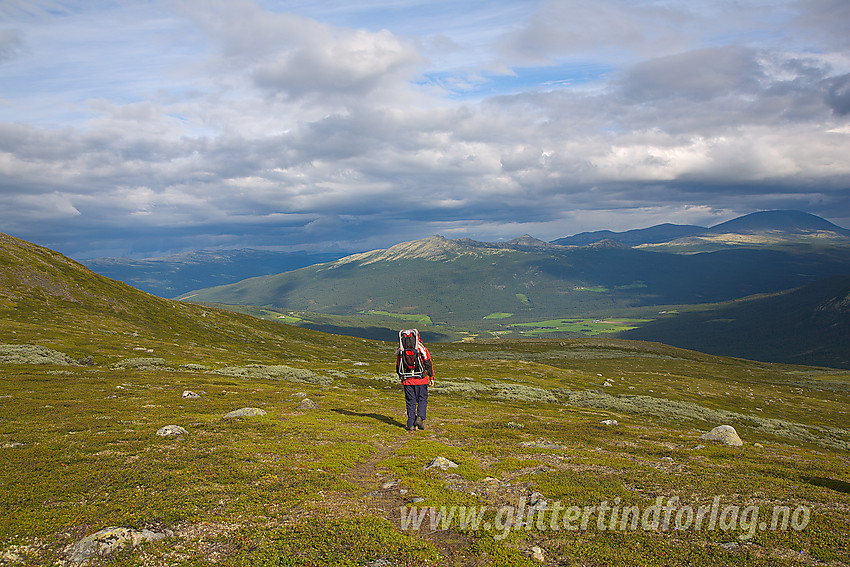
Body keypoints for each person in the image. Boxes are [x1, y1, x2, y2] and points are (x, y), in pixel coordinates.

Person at [396, 329, 434, 432]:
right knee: (422, 399)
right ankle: (420, 418)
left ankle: (410, 424)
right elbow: (428, 362)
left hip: (407, 380)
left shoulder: (401, 349)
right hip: (421, 380)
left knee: (410, 401)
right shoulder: (420, 347)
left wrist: (401, 378)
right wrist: (431, 377)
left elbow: (398, 365)